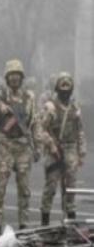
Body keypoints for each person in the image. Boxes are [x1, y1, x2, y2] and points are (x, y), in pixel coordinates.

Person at [0, 59, 37, 235]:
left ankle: (24, 226)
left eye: (17, 75)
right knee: (0, 188)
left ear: (22, 78)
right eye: (11, 75)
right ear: (7, 77)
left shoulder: (29, 97)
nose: (14, 78)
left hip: (22, 145)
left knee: (24, 189)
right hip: (4, 145)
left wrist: (37, 146)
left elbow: (34, 123)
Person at [37, 72, 86, 226]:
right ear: (57, 88)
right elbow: (40, 130)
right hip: (54, 152)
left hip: (70, 150)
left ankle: (70, 222)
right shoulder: (50, 107)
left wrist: (82, 151)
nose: (65, 89)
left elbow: (80, 130)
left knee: (70, 188)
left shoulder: (74, 107)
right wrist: (51, 145)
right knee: (50, 187)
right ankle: (45, 222)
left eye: (68, 86)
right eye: (62, 85)